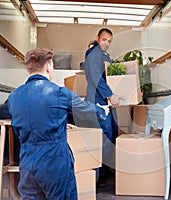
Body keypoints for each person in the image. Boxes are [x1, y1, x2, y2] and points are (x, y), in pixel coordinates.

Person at [7, 48, 110, 200]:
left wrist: (58, 124)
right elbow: (86, 110)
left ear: (29, 68)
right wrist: (102, 111)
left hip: (27, 162)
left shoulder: (13, 97)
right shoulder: (58, 92)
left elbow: (31, 119)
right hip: (54, 161)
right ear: (48, 66)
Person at [84, 28, 122, 187]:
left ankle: (104, 173)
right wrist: (110, 94)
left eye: (109, 41)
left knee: (111, 133)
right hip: (98, 101)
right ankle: (97, 178)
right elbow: (95, 77)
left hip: (105, 101)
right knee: (103, 137)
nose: (106, 43)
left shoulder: (104, 56)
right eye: (104, 39)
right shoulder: (93, 53)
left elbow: (111, 78)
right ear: (98, 38)